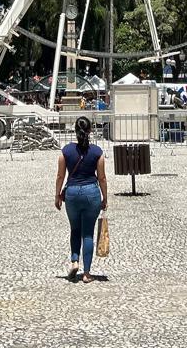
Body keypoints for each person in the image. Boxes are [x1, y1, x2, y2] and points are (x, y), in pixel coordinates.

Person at [54, 116, 106, 283]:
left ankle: (75, 260)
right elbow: (102, 178)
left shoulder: (66, 151)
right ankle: (87, 273)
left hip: (72, 193)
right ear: (90, 131)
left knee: (75, 229)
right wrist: (105, 197)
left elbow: (60, 175)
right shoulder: (97, 152)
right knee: (88, 234)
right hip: (91, 192)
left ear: (75, 132)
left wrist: (57, 195)